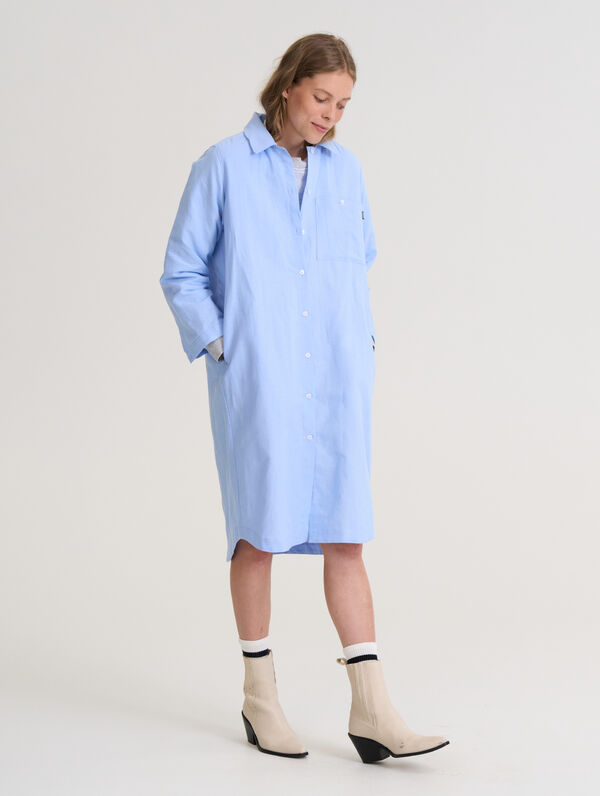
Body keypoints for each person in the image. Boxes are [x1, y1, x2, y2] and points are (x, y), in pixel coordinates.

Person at [159, 33, 449, 763]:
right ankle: (261, 698)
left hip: (337, 381)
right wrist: (226, 346)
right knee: (257, 532)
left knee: (346, 533)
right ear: (288, 84)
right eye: (322, 97)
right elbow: (182, 269)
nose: (331, 115)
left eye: (344, 104)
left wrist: (361, 343)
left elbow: (359, 259)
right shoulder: (224, 165)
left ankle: (372, 710)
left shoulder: (346, 172)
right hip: (261, 379)